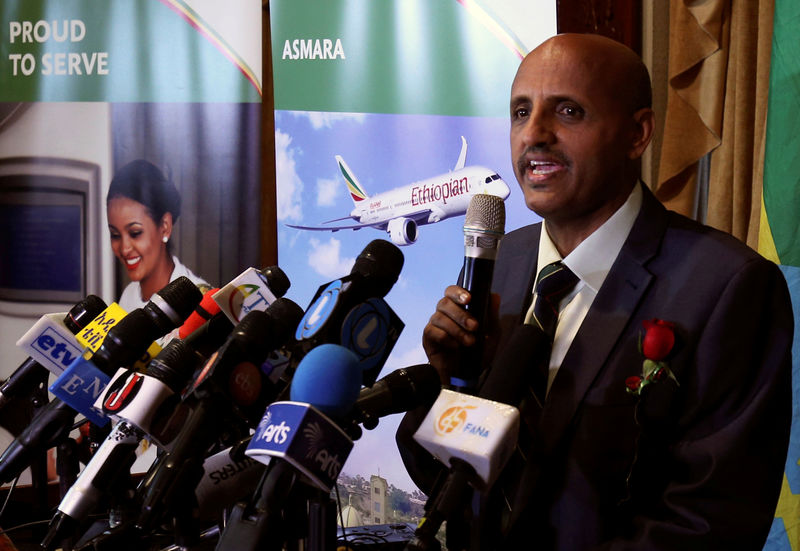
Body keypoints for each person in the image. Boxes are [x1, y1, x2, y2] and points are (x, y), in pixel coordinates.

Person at [398, 33, 793, 550]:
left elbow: (710, 524)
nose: (534, 134)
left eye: (567, 111)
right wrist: (458, 384)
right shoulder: (503, 260)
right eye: (520, 112)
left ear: (637, 134)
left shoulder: (728, 287)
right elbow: (451, 485)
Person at [106, 159, 210, 313]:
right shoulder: (129, 295)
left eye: (135, 233)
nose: (124, 248)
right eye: (115, 235)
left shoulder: (199, 301)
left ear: (164, 227)